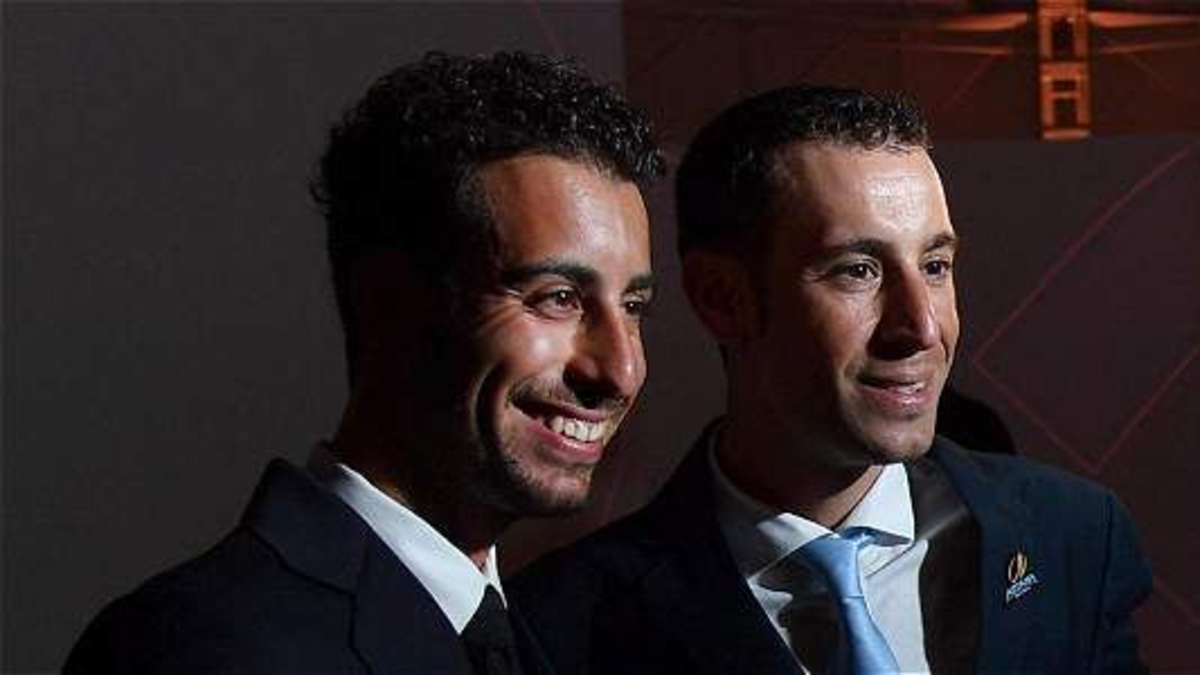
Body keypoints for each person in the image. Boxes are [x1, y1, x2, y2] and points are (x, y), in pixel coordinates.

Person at [511, 84, 1151, 673]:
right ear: (721, 297)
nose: (922, 327)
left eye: (935, 265)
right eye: (857, 271)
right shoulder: (567, 627)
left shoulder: (1071, 537)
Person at [64, 51, 664, 674]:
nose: (620, 370)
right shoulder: (201, 647)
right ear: (387, 299)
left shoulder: (539, 642)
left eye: (633, 306)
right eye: (558, 299)